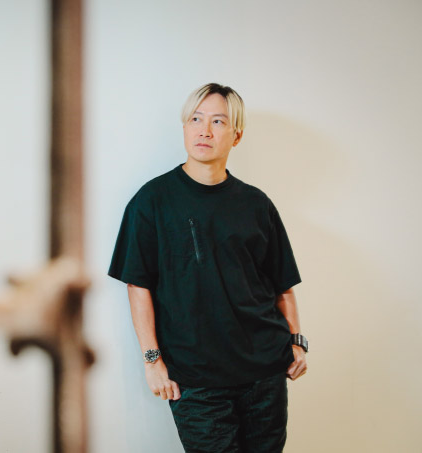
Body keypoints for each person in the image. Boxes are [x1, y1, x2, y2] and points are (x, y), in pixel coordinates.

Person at [108, 83, 308, 452]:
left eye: (218, 121)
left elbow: (282, 286)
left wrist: (296, 341)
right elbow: (138, 286)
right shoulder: (151, 201)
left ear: (237, 135)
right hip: (196, 382)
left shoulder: (257, 204)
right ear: (185, 127)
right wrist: (152, 360)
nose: (204, 130)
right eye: (196, 120)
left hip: (264, 374)